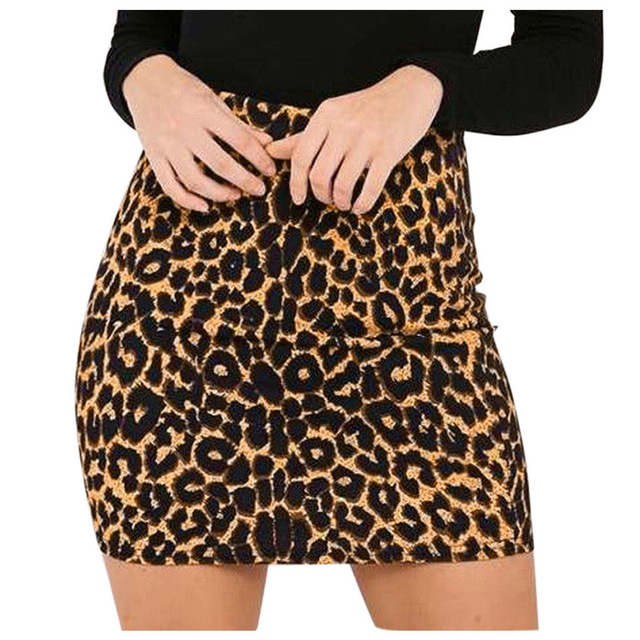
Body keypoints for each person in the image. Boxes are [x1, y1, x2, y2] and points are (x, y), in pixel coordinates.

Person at [74, 9, 603, 630]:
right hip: (182, 309)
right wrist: (144, 79)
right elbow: (142, 35)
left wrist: (426, 87)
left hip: (408, 309)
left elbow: (567, 55)